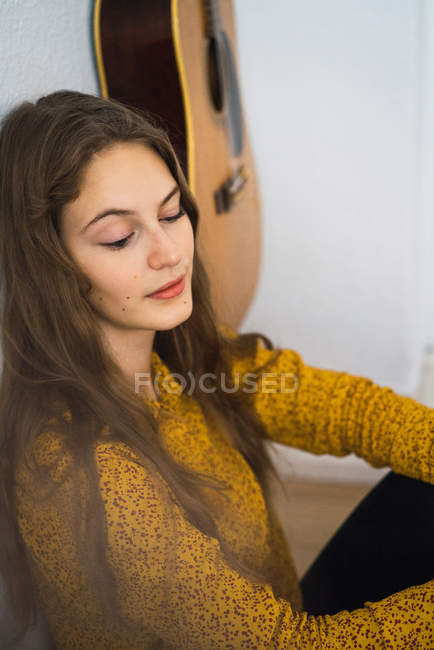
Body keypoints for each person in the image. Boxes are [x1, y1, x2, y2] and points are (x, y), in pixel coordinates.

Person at [0, 89, 432, 650]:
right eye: (119, 236)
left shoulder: (182, 360)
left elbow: (346, 410)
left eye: (171, 212)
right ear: (47, 266)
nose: (170, 252)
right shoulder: (90, 477)